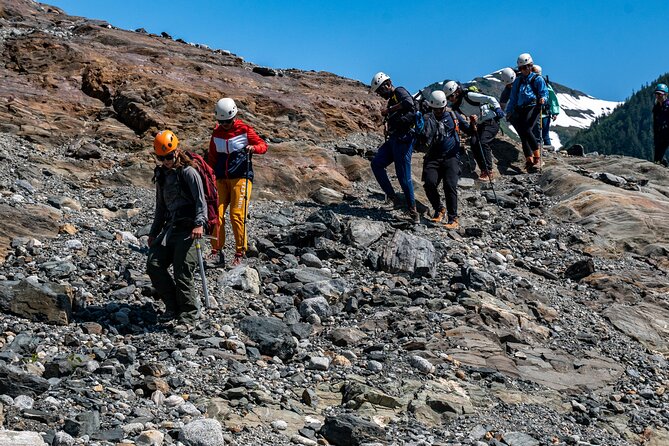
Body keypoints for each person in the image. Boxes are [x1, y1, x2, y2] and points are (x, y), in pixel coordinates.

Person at [147, 130, 207, 325]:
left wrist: (199, 224)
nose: (166, 161)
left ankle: (189, 313)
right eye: (161, 158)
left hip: (191, 230)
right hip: (170, 229)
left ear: (177, 151)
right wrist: (154, 232)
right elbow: (160, 207)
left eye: (169, 156)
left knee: (182, 271)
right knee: (154, 264)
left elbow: (201, 201)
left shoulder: (189, 172)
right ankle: (172, 306)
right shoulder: (162, 176)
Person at [207, 98, 268, 266]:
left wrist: (253, 148)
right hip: (220, 178)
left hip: (241, 177)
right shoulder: (216, 133)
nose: (225, 124)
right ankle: (216, 251)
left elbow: (263, 145)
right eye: (221, 122)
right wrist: (209, 174)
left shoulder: (245, 130)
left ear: (234, 116)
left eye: (228, 121)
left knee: (236, 214)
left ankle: (240, 251)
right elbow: (212, 157)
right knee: (215, 215)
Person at [369, 72, 420, 223]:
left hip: (403, 140)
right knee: (377, 163)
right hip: (394, 139)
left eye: (380, 90)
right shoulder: (392, 99)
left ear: (387, 84)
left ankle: (413, 213)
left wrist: (388, 111)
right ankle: (393, 199)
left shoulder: (399, 91)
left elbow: (409, 103)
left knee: (403, 176)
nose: (380, 94)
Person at [420, 90, 472, 229]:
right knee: (429, 184)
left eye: (440, 109)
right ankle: (439, 209)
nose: (437, 112)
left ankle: (453, 218)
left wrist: (473, 124)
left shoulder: (453, 115)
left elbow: (470, 131)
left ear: (444, 106)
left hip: (451, 157)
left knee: (449, 186)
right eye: (435, 110)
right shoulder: (427, 117)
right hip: (433, 157)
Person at [444, 81, 505, 180]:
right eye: (448, 98)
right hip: (480, 124)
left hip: (491, 121)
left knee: (483, 141)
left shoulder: (469, 96)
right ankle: (483, 170)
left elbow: (490, 98)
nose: (450, 99)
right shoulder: (457, 107)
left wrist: (498, 109)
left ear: (457, 92)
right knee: (473, 142)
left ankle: (489, 170)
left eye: (451, 96)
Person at [505, 53, 549, 172]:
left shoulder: (537, 79)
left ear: (530, 66)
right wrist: (508, 111)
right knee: (523, 135)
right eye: (521, 68)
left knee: (527, 129)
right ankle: (529, 160)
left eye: (525, 67)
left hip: (533, 106)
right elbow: (513, 98)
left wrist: (543, 99)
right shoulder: (518, 81)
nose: (523, 70)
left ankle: (537, 157)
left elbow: (544, 93)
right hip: (521, 108)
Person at [531, 65, 561, 149]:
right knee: (539, 132)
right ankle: (539, 149)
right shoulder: (537, 84)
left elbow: (552, 99)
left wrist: (555, 112)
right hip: (539, 113)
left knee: (543, 133)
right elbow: (553, 99)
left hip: (543, 113)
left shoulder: (545, 84)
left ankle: (546, 149)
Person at [653, 83, 669, 166]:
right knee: (657, 159)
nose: (658, 96)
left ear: (665, 94)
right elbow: (655, 123)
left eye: (660, 94)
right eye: (656, 94)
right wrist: (655, 136)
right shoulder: (656, 108)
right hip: (660, 134)